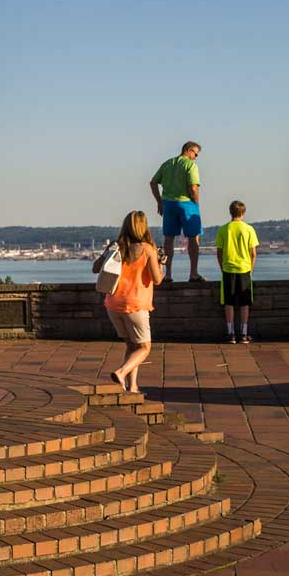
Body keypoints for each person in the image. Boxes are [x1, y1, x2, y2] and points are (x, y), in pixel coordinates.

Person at [105, 211, 165, 394]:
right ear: (143, 227)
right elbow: (157, 279)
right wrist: (160, 264)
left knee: (132, 346)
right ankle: (121, 372)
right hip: (135, 305)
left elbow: (96, 268)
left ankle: (132, 387)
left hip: (113, 304)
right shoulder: (147, 249)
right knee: (144, 348)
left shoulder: (117, 247)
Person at [149, 141, 203, 283]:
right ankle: (193, 273)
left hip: (168, 204)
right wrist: (196, 202)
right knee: (193, 238)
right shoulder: (190, 165)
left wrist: (159, 201)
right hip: (186, 203)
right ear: (188, 150)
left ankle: (168, 274)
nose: (196, 157)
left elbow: (153, 182)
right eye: (195, 154)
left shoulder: (168, 163)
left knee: (169, 239)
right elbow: (193, 187)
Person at [215, 201, 259, 344]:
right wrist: (250, 269)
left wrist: (222, 267)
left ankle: (231, 333)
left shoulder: (223, 229)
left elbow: (219, 253)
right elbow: (253, 253)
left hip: (228, 269)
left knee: (229, 302)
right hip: (245, 269)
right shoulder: (249, 229)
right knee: (245, 303)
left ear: (230, 212)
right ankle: (244, 333)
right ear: (243, 213)